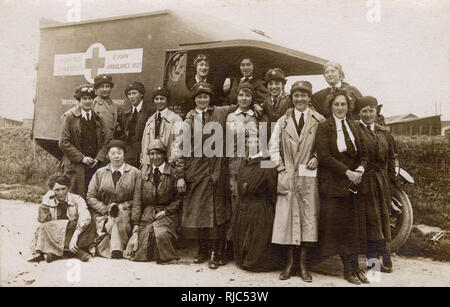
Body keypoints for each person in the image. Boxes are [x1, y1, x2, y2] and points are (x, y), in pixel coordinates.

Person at [176, 82, 237, 269]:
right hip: (196, 172)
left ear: (210, 98)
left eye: (206, 96)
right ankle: (202, 250)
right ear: (194, 99)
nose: (203, 99)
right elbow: (181, 150)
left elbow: (240, 104)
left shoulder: (219, 112)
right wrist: (180, 175)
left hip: (217, 172)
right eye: (199, 96)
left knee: (217, 213)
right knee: (199, 213)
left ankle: (215, 252)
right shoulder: (188, 121)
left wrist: (257, 105)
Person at [269, 81, 325, 282]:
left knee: (307, 220)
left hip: (308, 175)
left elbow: (325, 145)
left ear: (309, 97)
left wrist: (316, 157)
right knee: (287, 221)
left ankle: (303, 265)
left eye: (304, 95)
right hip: (288, 174)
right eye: (296, 95)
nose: (300, 99)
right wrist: (281, 167)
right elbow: (273, 147)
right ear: (291, 98)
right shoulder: (283, 122)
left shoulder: (319, 120)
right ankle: (289, 264)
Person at [315, 90, 369, 285]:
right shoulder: (324, 127)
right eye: (336, 105)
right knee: (341, 229)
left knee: (353, 228)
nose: (340, 108)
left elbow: (364, 153)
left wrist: (361, 169)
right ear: (331, 106)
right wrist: (348, 173)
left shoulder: (354, 126)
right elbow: (324, 156)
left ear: (348, 107)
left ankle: (357, 268)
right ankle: (348, 269)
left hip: (355, 184)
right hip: (334, 184)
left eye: (343, 105)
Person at [225, 82, 269, 262]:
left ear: (252, 99)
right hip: (234, 166)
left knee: (251, 205)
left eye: (247, 96)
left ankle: (248, 247)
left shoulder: (258, 116)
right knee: (235, 205)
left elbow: (263, 142)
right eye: (241, 95)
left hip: (253, 167)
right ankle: (232, 246)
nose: (244, 98)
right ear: (237, 97)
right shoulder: (229, 117)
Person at [356, 96, 396, 273]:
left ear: (376, 111)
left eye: (371, 110)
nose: (367, 114)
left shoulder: (384, 132)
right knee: (371, 220)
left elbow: (391, 158)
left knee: (384, 216)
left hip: (383, 181)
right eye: (364, 111)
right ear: (359, 113)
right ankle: (373, 263)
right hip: (365, 181)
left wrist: (392, 183)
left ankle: (386, 255)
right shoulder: (355, 130)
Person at [124, 140, 181, 263]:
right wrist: (135, 225)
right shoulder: (143, 173)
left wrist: (166, 211)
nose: (155, 157)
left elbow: (179, 199)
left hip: (168, 215)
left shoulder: (173, 172)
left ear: (164, 155)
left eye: (158, 154)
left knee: (160, 234)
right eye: (152, 154)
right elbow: (137, 200)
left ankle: (167, 255)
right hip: (148, 214)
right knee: (143, 241)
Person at [232, 134, 282, 272]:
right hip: (245, 204)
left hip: (261, 205)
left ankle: (257, 261)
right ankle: (244, 258)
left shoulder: (267, 162)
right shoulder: (244, 162)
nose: (252, 143)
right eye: (249, 141)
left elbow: (272, 188)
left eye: (256, 141)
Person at [87, 140, 141, 259]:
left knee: (117, 219)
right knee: (110, 221)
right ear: (108, 155)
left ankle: (115, 248)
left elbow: (137, 200)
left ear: (124, 154)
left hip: (126, 212)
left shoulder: (135, 173)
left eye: (119, 153)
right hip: (104, 213)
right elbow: (90, 196)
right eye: (113, 153)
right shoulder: (99, 173)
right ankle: (115, 248)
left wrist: (135, 222)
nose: (116, 156)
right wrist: (106, 209)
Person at [29, 172, 96, 263]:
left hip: (74, 233)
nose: (61, 193)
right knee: (43, 227)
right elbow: (42, 221)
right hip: (56, 234)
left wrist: (75, 236)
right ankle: (76, 252)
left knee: (90, 224)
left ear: (68, 187)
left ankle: (55, 254)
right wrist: (45, 202)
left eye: (63, 189)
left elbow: (85, 217)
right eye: (57, 190)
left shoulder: (77, 199)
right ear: (52, 190)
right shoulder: (48, 200)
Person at [59, 84, 110, 198]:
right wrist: (82, 158)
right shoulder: (70, 117)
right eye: (84, 98)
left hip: (93, 166)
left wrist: (99, 158)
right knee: (74, 198)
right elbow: (63, 142)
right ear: (79, 100)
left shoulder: (97, 118)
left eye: (90, 98)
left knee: (92, 196)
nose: (88, 101)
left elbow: (105, 142)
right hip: (75, 166)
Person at [141, 87, 183, 169]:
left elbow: (180, 145)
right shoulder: (150, 120)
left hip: (169, 163)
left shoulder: (175, 119)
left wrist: (173, 161)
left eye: (162, 99)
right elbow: (145, 143)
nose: (159, 101)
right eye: (156, 99)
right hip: (152, 163)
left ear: (167, 100)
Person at [115, 81, 153, 168]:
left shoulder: (149, 111)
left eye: (134, 93)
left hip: (144, 150)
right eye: (129, 94)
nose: (131, 97)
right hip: (129, 152)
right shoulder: (125, 112)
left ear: (141, 94)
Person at [93, 74, 118, 141]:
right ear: (96, 88)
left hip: (110, 142)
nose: (105, 89)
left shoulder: (113, 104)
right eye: (102, 86)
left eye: (107, 86)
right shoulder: (93, 104)